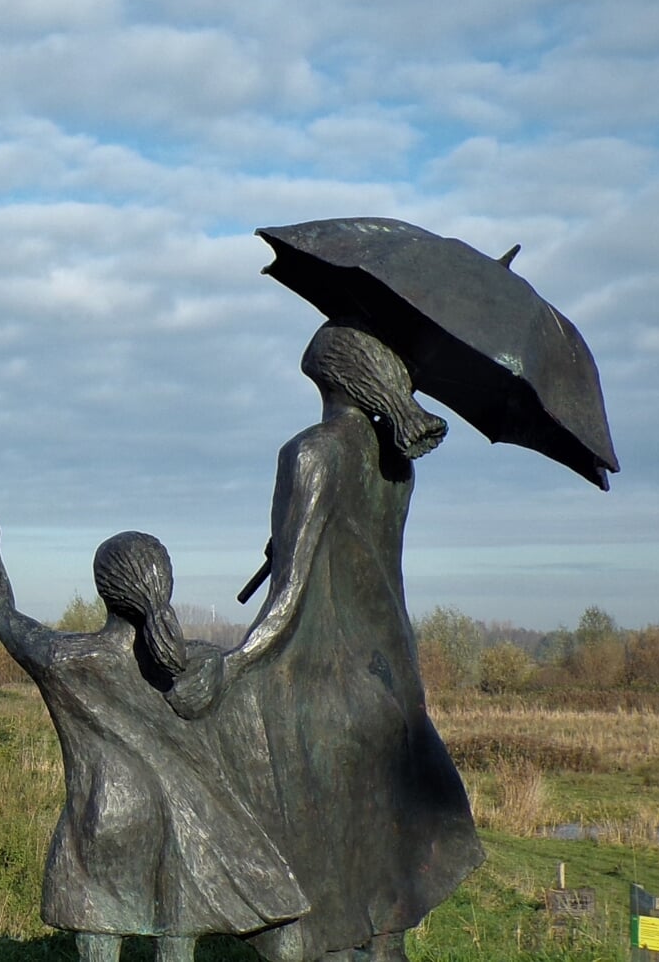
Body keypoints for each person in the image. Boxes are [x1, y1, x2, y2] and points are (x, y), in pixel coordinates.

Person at [169, 320, 483, 962]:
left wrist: (232, 667)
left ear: (326, 373)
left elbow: (287, 597)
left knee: (327, 894)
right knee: (380, 884)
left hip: (323, 690)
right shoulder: (396, 466)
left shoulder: (310, 452)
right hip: (392, 682)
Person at [0, 491, 305, 962]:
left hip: (103, 824)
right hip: (189, 831)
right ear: (165, 585)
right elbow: (272, 631)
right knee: (178, 934)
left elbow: (1, 615)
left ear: (104, 591)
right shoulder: (200, 664)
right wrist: (291, 551)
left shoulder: (66, 659)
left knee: (102, 932)